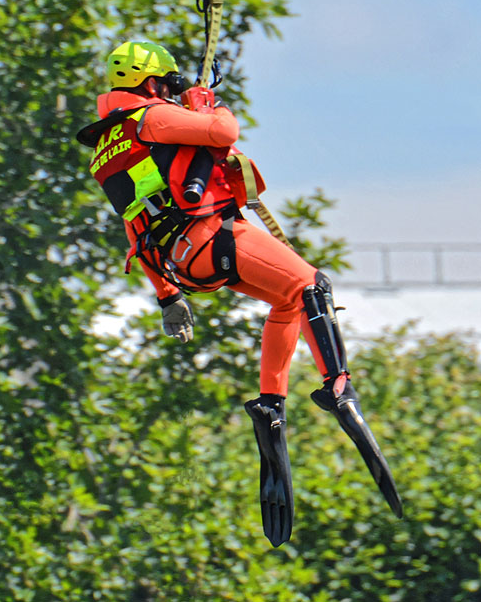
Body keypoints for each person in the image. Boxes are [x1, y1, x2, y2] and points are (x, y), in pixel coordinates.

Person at [77, 39, 402, 546]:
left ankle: (271, 406)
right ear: (155, 83)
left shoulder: (111, 143)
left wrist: (166, 295)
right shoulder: (153, 120)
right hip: (212, 235)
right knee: (312, 285)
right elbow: (223, 130)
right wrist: (205, 101)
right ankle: (338, 385)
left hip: (183, 259)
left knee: (287, 300)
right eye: (167, 84)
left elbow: (134, 223)